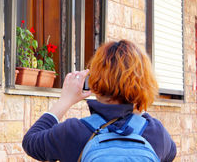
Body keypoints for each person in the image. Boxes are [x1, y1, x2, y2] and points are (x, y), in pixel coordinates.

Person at [22, 40, 176, 162]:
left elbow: (30, 142)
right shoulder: (156, 133)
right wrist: (139, 99)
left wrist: (65, 100)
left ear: (95, 82)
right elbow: (171, 153)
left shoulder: (73, 132)